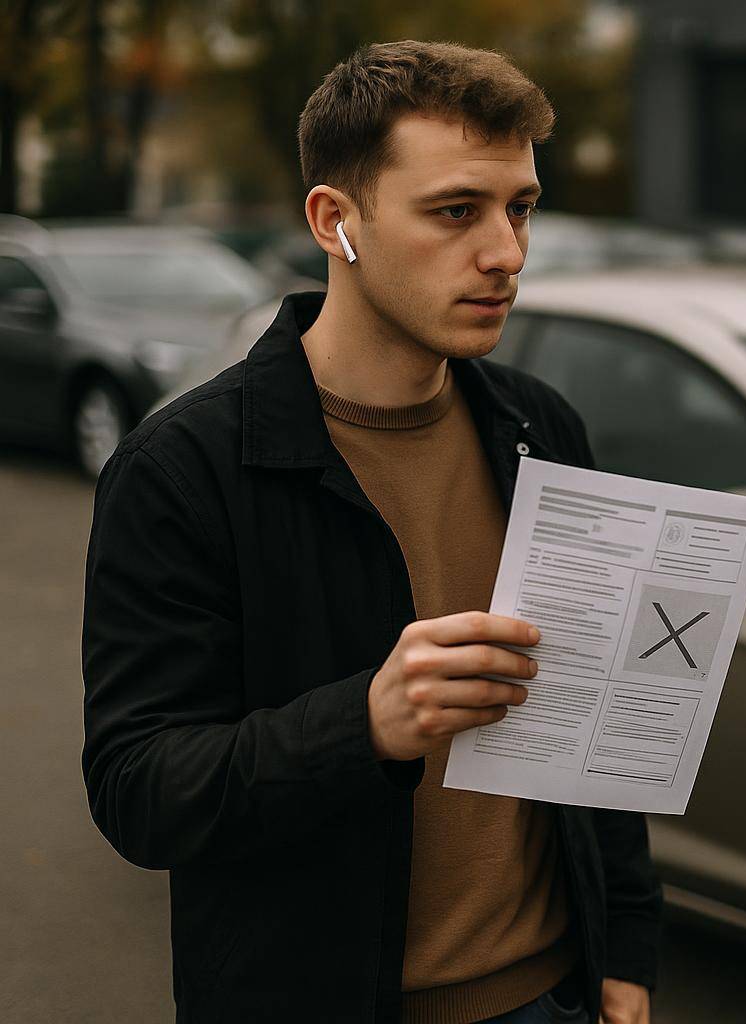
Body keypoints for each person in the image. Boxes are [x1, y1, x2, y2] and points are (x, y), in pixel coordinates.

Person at [82, 41, 659, 1024]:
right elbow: (139, 787)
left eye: (520, 208)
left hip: (552, 991)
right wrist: (367, 721)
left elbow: (591, 727)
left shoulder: (537, 426)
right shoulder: (183, 468)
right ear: (333, 221)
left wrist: (627, 948)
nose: (506, 253)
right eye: (455, 211)